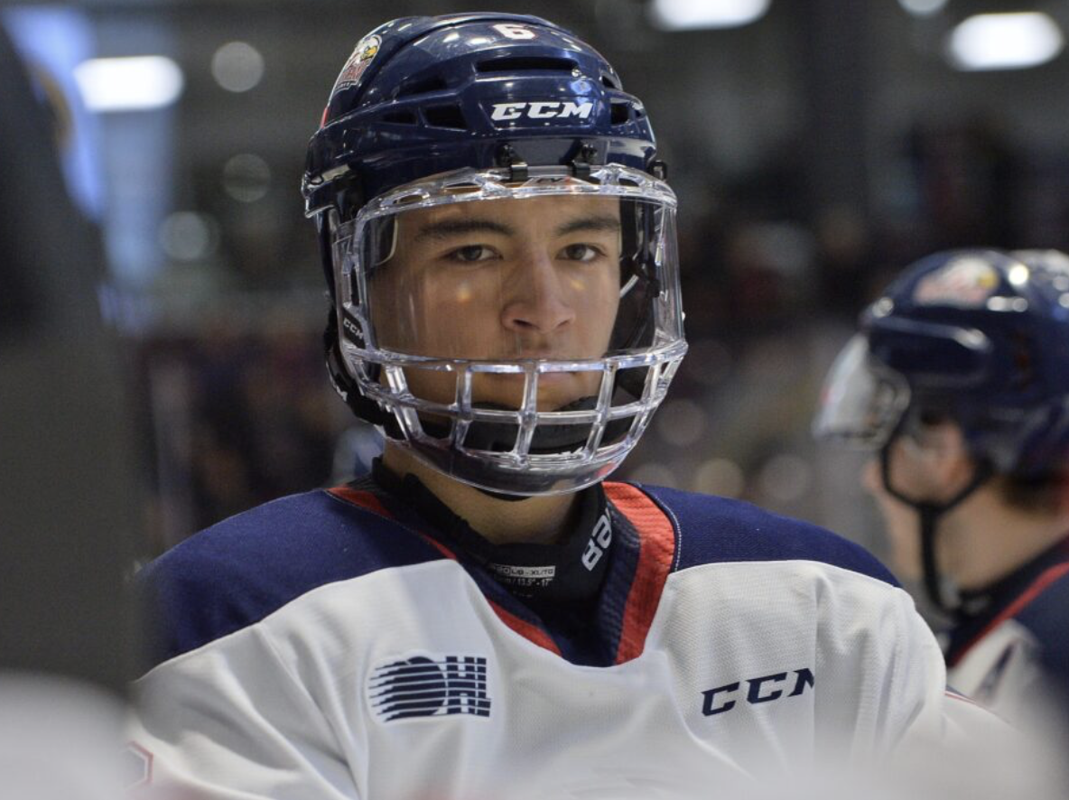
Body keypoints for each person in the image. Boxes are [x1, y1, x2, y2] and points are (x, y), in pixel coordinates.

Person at [132, 15, 1008, 799]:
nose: (543, 307)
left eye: (582, 247)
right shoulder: (237, 617)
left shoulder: (825, 606)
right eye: (472, 250)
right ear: (360, 286)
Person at [815, 248, 1069, 733]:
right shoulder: (1017, 631)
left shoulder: (1043, 665)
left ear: (943, 449)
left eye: (887, 441)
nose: (872, 480)